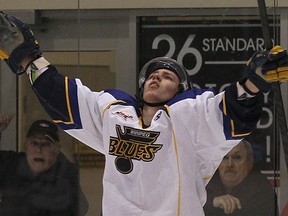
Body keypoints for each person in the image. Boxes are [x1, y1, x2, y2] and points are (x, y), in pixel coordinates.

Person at [0, 12, 287, 216]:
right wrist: (29, 59)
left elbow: (232, 113)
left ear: (180, 88)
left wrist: (253, 83)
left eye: (167, 77)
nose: (156, 78)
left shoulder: (190, 116)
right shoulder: (115, 112)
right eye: (152, 75)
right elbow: (64, 99)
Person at [0, 113, 89, 216]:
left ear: (57, 149)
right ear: (26, 146)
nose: (38, 150)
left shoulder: (65, 175)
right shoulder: (12, 163)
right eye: (34, 143)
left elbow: (80, 208)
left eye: (45, 144)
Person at [203, 139, 277, 216]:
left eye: (237, 157)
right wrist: (213, 202)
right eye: (225, 158)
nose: (229, 164)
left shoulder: (261, 188)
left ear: (249, 163)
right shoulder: (206, 182)